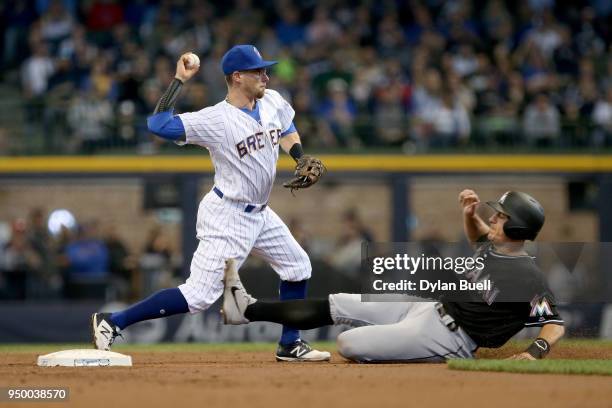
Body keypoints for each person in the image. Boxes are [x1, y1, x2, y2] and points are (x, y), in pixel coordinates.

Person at [91, 45, 329, 362]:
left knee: (298, 267)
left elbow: (286, 128)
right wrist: (178, 80)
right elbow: (158, 124)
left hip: (261, 214)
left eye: (265, 69)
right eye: (258, 71)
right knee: (199, 296)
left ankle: (289, 344)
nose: (265, 75)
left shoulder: (271, 101)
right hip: (227, 215)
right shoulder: (217, 119)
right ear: (237, 77)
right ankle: (112, 320)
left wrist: (299, 157)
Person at [222, 190, 565, 362]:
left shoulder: (527, 276)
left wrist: (536, 350)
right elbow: (477, 234)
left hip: (451, 339)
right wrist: (469, 213)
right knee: (340, 302)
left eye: (501, 217)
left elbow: (554, 322)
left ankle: (410, 348)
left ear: (518, 227)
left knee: (348, 344)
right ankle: (246, 310)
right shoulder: (493, 248)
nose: (494, 219)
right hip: (427, 309)